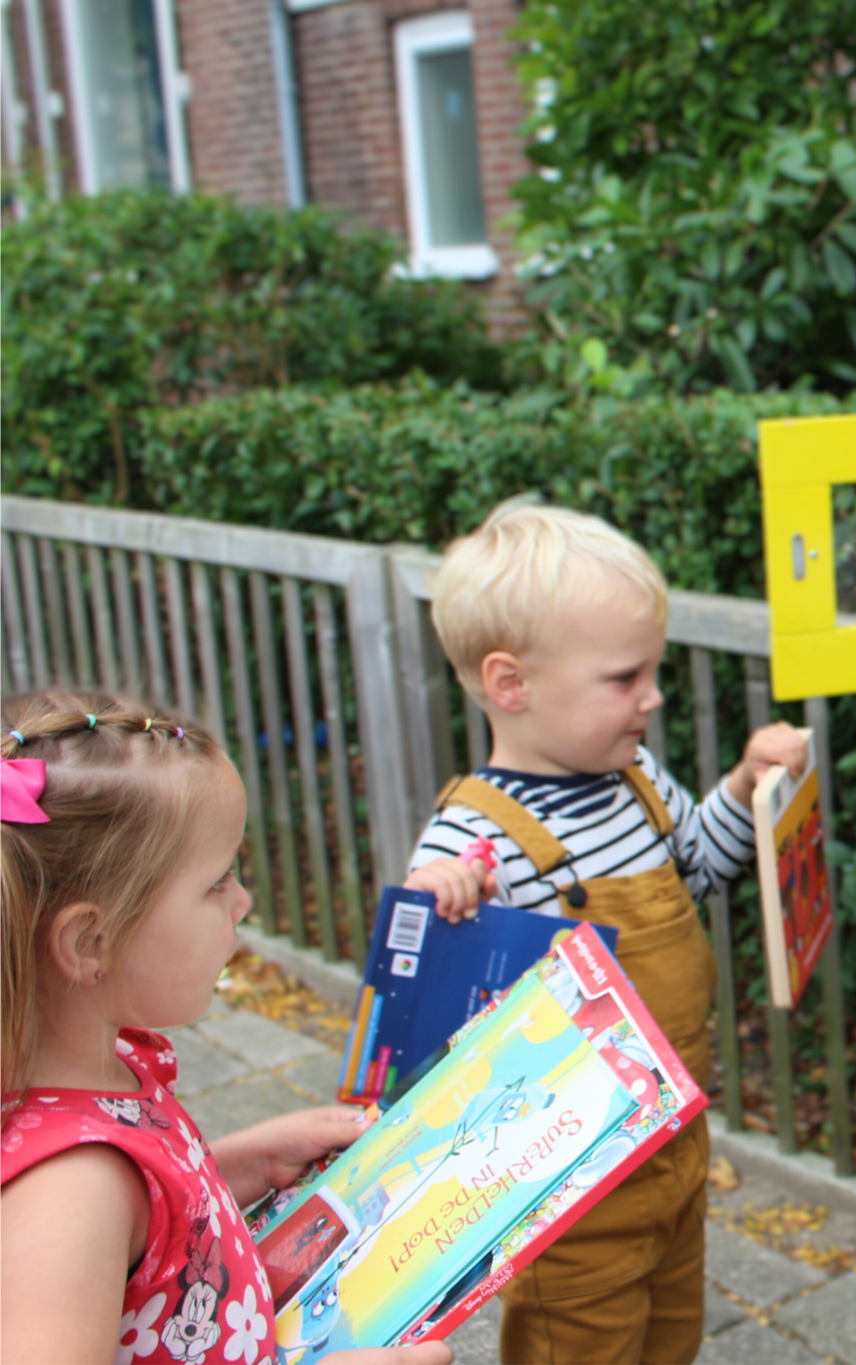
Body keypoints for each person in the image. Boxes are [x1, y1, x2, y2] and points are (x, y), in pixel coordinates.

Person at [400, 500, 806, 1365]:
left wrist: (742, 787)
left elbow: (699, 865)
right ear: (512, 684)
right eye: (626, 678)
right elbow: (419, 1002)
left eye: (651, 672)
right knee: (579, 1343)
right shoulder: (478, 841)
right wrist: (440, 904)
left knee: (669, 1329)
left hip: (674, 1133)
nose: (651, 697)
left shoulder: (631, 776)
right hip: (569, 1175)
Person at [0, 691, 450, 1365]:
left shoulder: (106, 1060)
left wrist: (238, 1163)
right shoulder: (72, 1192)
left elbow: (151, 1238)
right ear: (91, 940)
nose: (244, 900)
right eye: (216, 883)